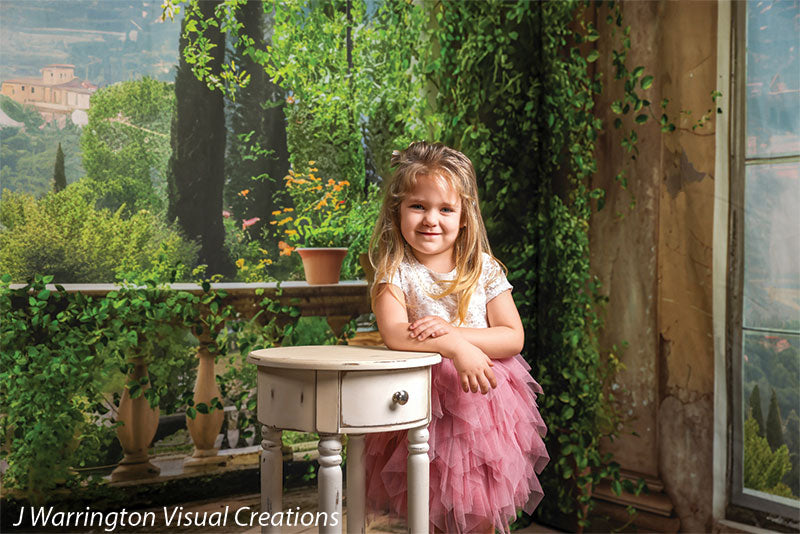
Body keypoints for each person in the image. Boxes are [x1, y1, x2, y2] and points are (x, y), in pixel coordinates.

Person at [365, 141, 549, 533]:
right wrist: (452, 347)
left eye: (445, 209)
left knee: (480, 509)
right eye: (418, 206)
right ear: (397, 209)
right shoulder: (394, 270)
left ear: (464, 216)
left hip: (484, 407)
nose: (431, 219)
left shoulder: (482, 268)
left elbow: (512, 337)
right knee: (429, 508)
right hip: (423, 408)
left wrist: (454, 332)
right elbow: (396, 335)